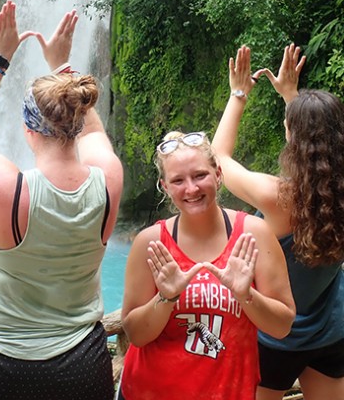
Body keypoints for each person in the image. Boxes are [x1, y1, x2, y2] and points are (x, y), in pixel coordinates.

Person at [0, 0, 124, 400]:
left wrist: (0, 56)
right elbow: (93, 133)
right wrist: (62, 65)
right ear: (78, 125)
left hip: (3, 364)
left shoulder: (7, 192)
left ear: (28, 132)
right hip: (82, 359)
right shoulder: (107, 180)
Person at [119, 130, 295, 400]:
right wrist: (166, 298)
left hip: (227, 391)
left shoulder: (253, 235)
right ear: (164, 186)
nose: (191, 189)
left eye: (200, 175)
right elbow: (136, 335)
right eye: (178, 180)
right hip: (152, 391)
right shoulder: (151, 243)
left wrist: (246, 295)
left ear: (218, 174)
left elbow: (282, 326)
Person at [211, 44, 344, 400]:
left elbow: (219, 158)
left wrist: (238, 95)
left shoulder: (278, 197)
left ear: (290, 135)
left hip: (275, 338)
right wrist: (291, 95)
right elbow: (317, 146)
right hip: (332, 333)